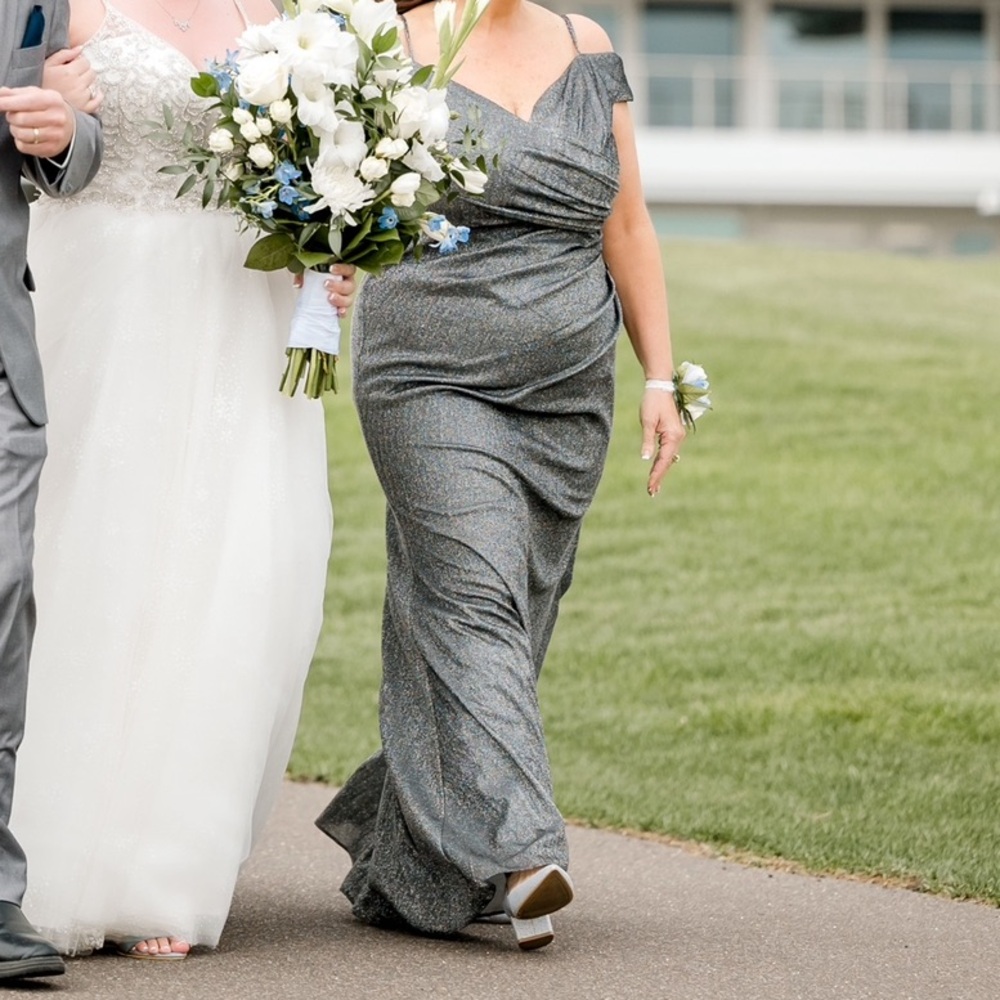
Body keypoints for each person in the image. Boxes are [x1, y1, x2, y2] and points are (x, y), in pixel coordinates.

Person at [315, 0, 685, 952]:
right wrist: (333, 257)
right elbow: (333, 199)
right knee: (471, 594)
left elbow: (629, 225)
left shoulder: (589, 46)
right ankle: (527, 856)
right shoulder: (388, 45)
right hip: (426, 375)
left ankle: (409, 858)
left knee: (505, 611)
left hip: (567, 395)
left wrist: (659, 376)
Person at [8, 0, 355, 961]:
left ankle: (165, 864)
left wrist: (328, 252)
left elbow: (309, 164)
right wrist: (46, 102)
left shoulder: (280, 13)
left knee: (234, 569)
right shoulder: (73, 5)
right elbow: (28, 128)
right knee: (91, 559)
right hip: (104, 298)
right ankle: (52, 855)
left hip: (242, 303)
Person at [0, 1, 103, 981]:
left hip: (3, 357)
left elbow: (75, 144)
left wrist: (68, 135)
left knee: (2, 606)